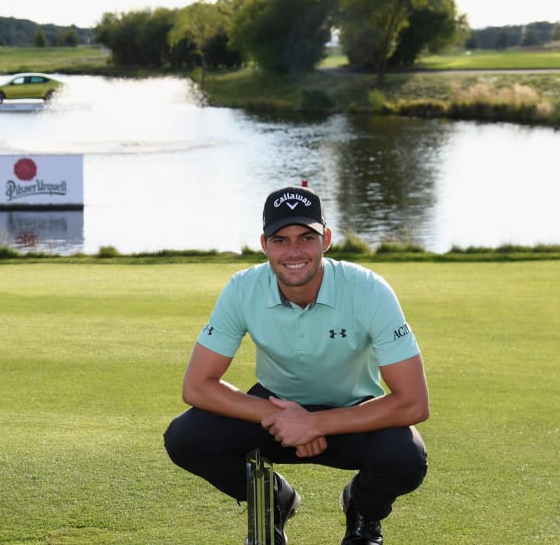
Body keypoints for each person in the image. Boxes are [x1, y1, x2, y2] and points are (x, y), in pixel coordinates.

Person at [163, 186, 429, 545]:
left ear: (326, 240)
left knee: (406, 456)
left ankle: (363, 511)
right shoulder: (243, 288)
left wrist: (314, 423)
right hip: (274, 416)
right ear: (264, 244)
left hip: (352, 415)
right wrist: (280, 419)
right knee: (186, 437)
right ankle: (272, 500)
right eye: (280, 239)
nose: (293, 252)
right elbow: (197, 386)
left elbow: (414, 402)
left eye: (306, 237)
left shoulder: (369, 290)